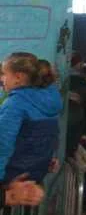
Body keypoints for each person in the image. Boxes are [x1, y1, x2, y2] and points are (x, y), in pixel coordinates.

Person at [0, 53, 62, 184]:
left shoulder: (15, 103)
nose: (1, 79)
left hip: (12, 177)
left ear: (18, 77)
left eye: (4, 74)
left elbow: (3, 143)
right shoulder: (50, 101)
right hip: (37, 174)